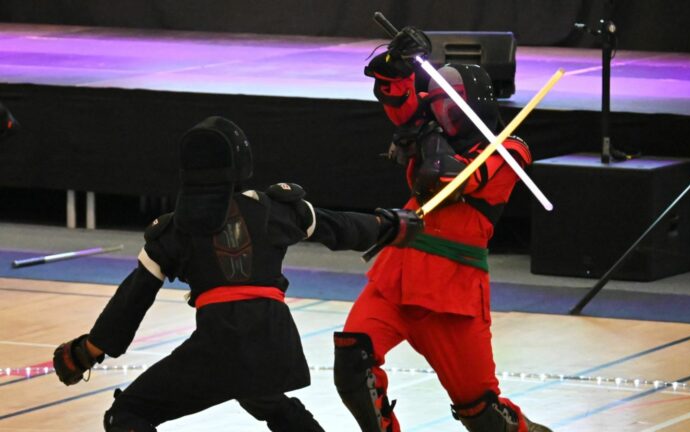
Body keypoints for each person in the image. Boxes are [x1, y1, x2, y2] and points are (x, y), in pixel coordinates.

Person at [52, 116, 422, 432]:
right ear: (241, 162)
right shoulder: (274, 208)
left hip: (218, 345)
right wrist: (391, 223)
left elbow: (132, 302)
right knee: (262, 396)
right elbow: (339, 227)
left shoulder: (172, 230)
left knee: (127, 415)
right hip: (275, 343)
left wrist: (87, 352)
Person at [332, 28, 552, 432]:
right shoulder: (429, 133)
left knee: (482, 414)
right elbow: (392, 96)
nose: (441, 115)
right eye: (437, 106)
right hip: (397, 276)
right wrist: (400, 66)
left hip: (452, 297)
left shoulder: (510, 147)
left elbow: (450, 179)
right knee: (352, 361)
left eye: (449, 108)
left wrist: (424, 131)